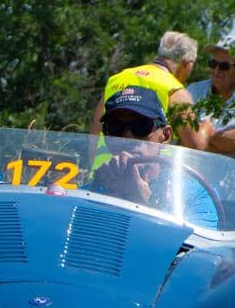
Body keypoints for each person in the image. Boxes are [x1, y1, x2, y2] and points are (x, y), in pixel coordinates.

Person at [90, 86, 219, 225]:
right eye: (115, 127)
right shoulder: (96, 187)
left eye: (141, 125)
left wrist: (141, 203)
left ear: (165, 135)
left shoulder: (194, 194)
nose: (127, 136)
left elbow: (190, 245)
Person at [89, 30, 212, 151]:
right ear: (186, 63)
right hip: (147, 168)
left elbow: (94, 134)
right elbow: (196, 145)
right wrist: (206, 129)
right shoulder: (175, 91)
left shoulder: (116, 79)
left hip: (105, 167)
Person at [185, 35, 235, 167]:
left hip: (228, 184)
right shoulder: (193, 91)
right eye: (213, 64)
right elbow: (182, 138)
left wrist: (204, 134)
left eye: (224, 66)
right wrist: (220, 142)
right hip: (189, 177)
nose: (216, 70)